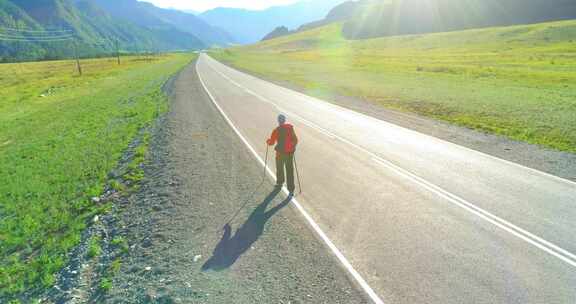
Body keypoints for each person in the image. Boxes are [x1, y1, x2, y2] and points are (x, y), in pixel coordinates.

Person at [266, 114, 298, 194]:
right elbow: (296, 140)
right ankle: (291, 189)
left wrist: (268, 141)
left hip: (280, 154)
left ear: (278, 121)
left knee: (280, 169)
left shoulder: (276, 130)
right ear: (284, 120)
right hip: (289, 153)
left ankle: (280, 183)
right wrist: (293, 147)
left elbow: (271, 143)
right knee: (290, 170)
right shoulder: (290, 128)